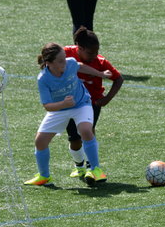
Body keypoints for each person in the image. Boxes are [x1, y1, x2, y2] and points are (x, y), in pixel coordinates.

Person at [25, 42, 112, 186]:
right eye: (60, 61)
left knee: (85, 130)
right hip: (60, 109)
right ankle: (44, 176)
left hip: (81, 103)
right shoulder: (43, 79)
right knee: (40, 142)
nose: (64, 62)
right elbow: (47, 106)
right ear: (49, 63)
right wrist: (63, 104)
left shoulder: (70, 63)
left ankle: (96, 169)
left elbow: (80, 66)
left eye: (64, 58)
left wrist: (101, 74)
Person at [64, 27, 123, 178]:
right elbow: (51, 60)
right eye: (91, 53)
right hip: (70, 104)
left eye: (97, 52)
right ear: (79, 48)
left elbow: (118, 79)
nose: (95, 55)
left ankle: (93, 167)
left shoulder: (101, 62)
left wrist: (107, 98)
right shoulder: (65, 53)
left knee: (88, 132)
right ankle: (79, 167)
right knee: (74, 139)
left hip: (92, 103)